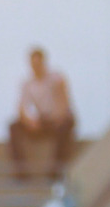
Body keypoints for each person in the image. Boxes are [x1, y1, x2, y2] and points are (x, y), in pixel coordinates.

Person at [8, 48, 75, 181]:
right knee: (13, 126)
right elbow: (21, 107)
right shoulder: (28, 83)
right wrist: (30, 121)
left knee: (65, 125)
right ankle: (21, 169)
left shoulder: (56, 78)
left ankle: (56, 169)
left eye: (38, 64)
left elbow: (64, 103)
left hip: (58, 118)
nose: (36, 67)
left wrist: (57, 117)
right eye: (33, 64)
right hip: (42, 120)